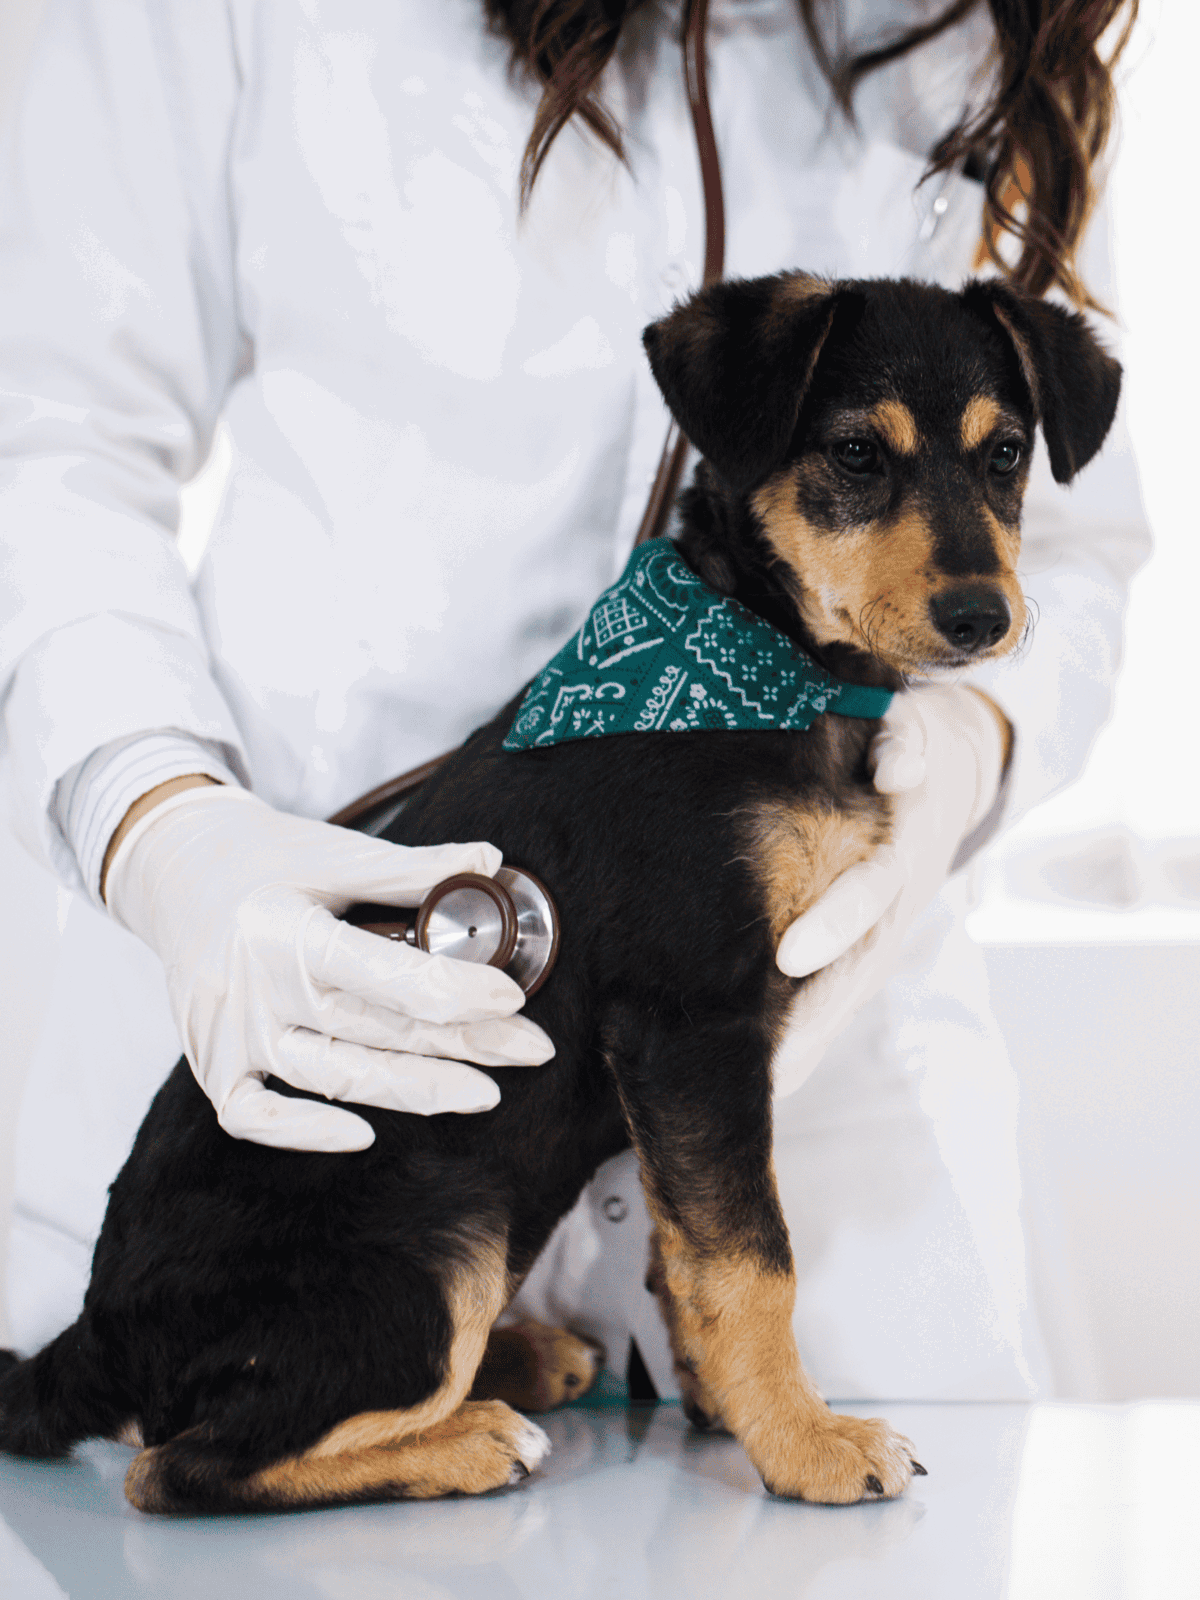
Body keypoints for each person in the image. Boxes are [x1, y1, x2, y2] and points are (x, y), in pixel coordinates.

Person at [0, 0, 1147, 1400]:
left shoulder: (974, 36)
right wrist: (156, 818)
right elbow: (46, 429)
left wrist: (962, 755)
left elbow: (1077, 542)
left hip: (828, 1118)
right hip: (299, 1052)